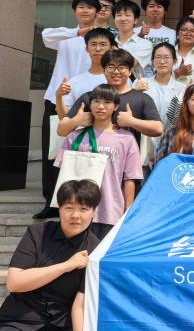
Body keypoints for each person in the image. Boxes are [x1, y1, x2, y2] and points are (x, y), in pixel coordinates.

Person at [0, 179, 109, 331]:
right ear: (59, 209)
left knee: (105, 323)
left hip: (63, 329)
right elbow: (15, 282)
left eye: (84, 209)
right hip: (23, 320)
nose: (76, 215)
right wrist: (67, 265)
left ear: (94, 212)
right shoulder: (37, 234)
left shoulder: (96, 250)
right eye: (69, 207)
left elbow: (80, 308)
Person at [38, 0, 100, 219]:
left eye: (89, 7)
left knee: (85, 152)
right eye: (81, 7)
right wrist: (77, 32)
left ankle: (84, 202)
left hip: (88, 102)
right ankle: (51, 202)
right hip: (58, 99)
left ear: (97, 12)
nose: (85, 11)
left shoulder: (100, 39)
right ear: (75, 11)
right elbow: (45, 36)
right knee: (53, 152)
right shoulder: (65, 36)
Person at [54, 85, 142, 226]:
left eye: (107, 102)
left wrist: (128, 212)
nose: (101, 106)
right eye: (96, 101)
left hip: (111, 212)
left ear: (115, 106)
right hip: (77, 214)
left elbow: (130, 179)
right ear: (90, 104)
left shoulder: (127, 139)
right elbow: (63, 177)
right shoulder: (74, 137)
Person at [58, 50, 163, 149]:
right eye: (111, 67)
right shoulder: (90, 97)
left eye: (121, 67)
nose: (116, 71)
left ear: (130, 71)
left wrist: (131, 121)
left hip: (126, 158)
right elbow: (61, 131)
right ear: (104, 70)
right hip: (92, 157)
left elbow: (158, 129)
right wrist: (76, 121)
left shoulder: (142, 98)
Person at [54, 28, 115, 120]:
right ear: (86, 48)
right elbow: (64, 118)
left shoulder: (119, 79)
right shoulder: (74, 82)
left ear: (112, 48)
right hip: (81, 129)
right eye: (93, 44)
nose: (98, 49)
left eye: (103, 44)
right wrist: (58, 96)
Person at [132, 42, 185, 129]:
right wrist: (135, 93)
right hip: (144, 134)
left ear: (174, 61)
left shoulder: (182, 88)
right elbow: (130, 111)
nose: (162, 61)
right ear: (152, 61)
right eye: (158, 57)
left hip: (171, 135)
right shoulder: (140, 82)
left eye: (166, 57)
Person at [111, 0, 152, 78]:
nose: (123, 19)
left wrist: (116, 52)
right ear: (114, 19)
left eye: (127, 15)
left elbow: (132, 63)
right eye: (119, 15)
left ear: (135, 20)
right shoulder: (110, 42)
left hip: (136, 85)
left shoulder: (145, 44)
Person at [172, 16, 194, 86]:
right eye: (184, 30)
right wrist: (177, 73)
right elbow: (159, 78)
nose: (188, 33)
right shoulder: (168, 53)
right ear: (177, 33)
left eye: (192, 31)